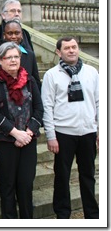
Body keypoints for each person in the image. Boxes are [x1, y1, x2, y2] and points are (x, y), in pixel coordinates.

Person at [0, 42, 43, 219]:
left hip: (28, 140)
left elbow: (39, 109)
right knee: (7, 185)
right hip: (5, 141)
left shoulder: (30, 80)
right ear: (0, 60)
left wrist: (28, 133)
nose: (13, 60)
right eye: (8, 57)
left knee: (25, 184)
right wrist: (15, 133)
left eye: (16, 57)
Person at [42, 36, 99, 219]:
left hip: (88, 132)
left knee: (88, 176)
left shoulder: (92, 72)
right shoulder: (52, 75)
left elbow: (100, 103)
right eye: (67, 48)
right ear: (59, 52)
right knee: (62, 177)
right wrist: (50, 136)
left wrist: (101, 131)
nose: (72, 50)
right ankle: (63, 214)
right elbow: (47, 107)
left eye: (74, 47)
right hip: (63, 134)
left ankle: (92, 214)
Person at [0, 20, 41, 90]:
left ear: (22, 35)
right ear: (4, 35)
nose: (13, 36)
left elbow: (36, 81)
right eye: (10, 33)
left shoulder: (30, 55)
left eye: (17, 33)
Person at [0, 0, 34, 67]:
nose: (17, 14)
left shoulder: (26, 34)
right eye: (13, 11)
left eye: (19, 11)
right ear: (3, 15)